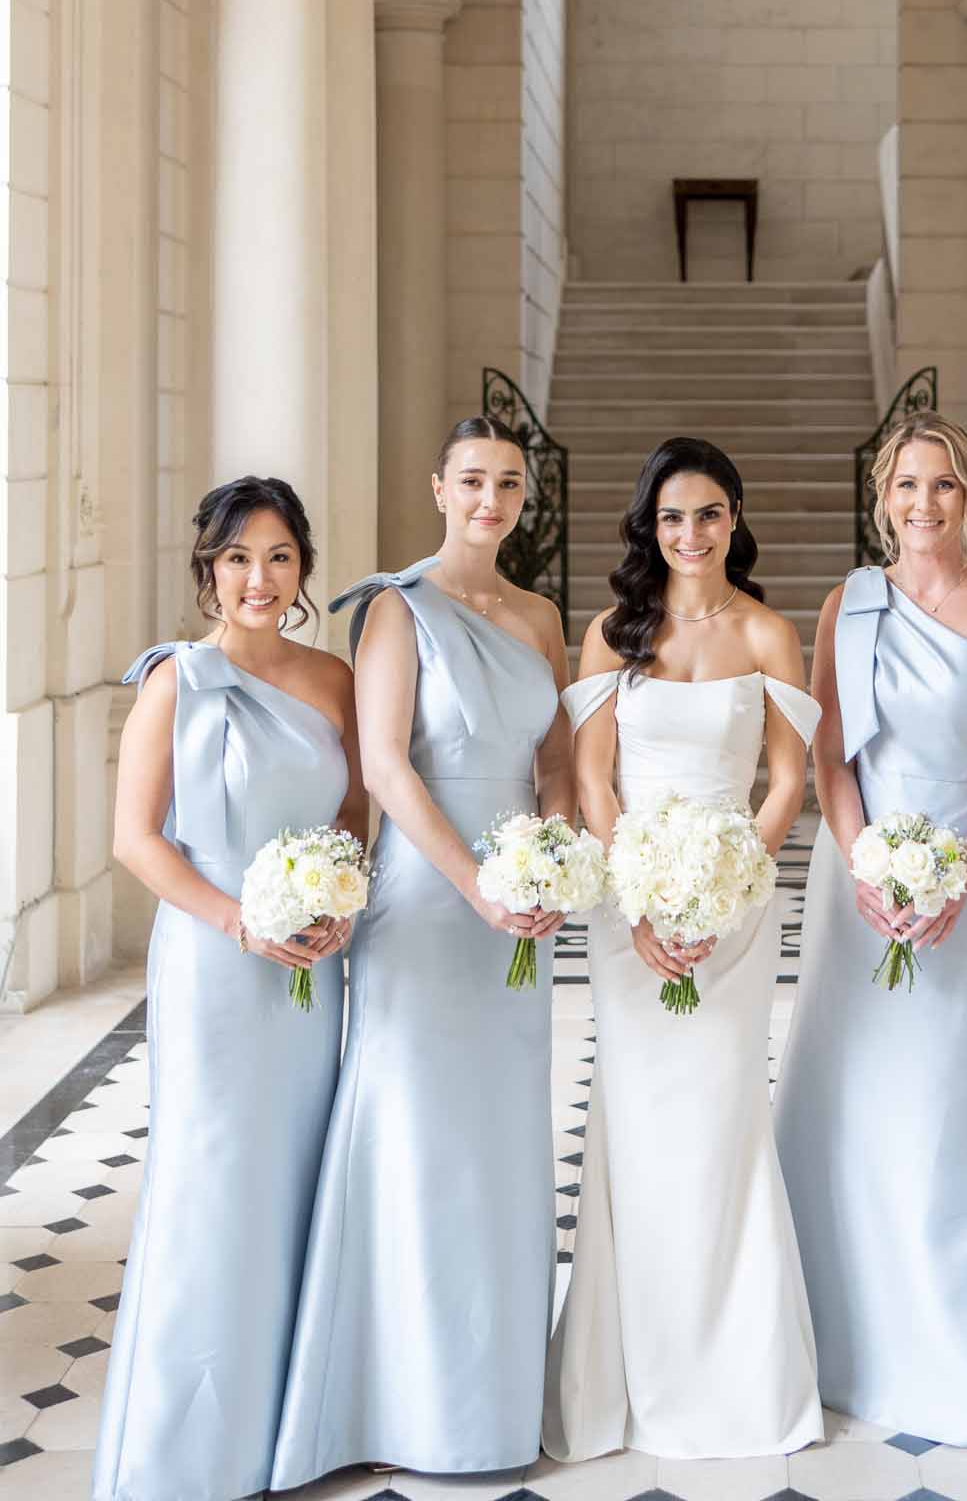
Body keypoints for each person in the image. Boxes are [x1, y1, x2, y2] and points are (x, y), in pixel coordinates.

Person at [271, 415, 573, 1486]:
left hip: (514, 917)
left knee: (497, 1149)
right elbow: (388, 769)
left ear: (522, 497)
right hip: (427, 900)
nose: (490, 499)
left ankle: (487, 1404)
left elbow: (557, 763)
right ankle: (390, 1400)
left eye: (508, 483)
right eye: (473, 480)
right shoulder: (395, 609)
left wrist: (549, 865)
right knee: (412, 1141)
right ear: (438, 486)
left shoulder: (540, 615)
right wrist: (480, 882)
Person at [775, 413, 967, 1447]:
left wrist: (960, 872)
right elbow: (831, 755)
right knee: (858, 1101)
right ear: (881, 497)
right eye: (906, 486)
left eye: (942, 485)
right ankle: (845, 1342)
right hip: (860, 881)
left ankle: (960, 1351)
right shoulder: (848, 602)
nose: (923, 504)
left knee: (960, 1107)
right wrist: (860, 864)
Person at [543, 436, 824, 1463]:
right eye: (672, 516)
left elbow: (787, 780)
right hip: (631, 911)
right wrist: (644, 902)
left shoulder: (767, 632)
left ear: (736, 516)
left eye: (709, 513)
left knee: (722, 1123)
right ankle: (627, 1376)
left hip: (737, 907)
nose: (690, 533)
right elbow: (593, 783)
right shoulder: (610, 632)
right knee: (638, 1127)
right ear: (648, 525)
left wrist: (732, 885)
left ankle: (735, 1377)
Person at [93, 477, 365, 1501]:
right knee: (212, 1177)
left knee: (297, 1170)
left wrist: (338, 898)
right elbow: (134, 839)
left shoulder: (333, 678)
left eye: (281, 555)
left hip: (309, 963)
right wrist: (235, 919)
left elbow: (351, 813)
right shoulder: (177, 680)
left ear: (301, 568)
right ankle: (187, 1446)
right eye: (240, 557)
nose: (261, 577)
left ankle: (285, 1426)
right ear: (209, 568)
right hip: (215, 962)